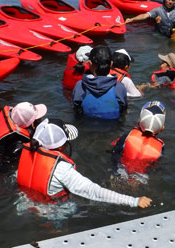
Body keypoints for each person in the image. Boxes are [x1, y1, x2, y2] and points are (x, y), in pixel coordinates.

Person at [17, 118, 152, 208]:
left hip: (24, 204)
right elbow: (94, 192)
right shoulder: (61, 169)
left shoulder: (27, 151)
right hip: (54, 213)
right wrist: (134, 201)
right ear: (61, 147)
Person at [72, 45, 127, 119]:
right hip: (113, 127)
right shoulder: (119, 87)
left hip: (87, 126)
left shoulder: (80, 86)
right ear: (111, 63)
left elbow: (76, 109)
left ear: (90, 63)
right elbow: (123, 110)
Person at [111, 101, 165, 175]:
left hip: (121, 169)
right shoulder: (160, 148)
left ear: (138, 121)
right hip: (141, 177)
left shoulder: (127, 137)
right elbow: (154, 166)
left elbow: (115, 151)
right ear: (162, 128)